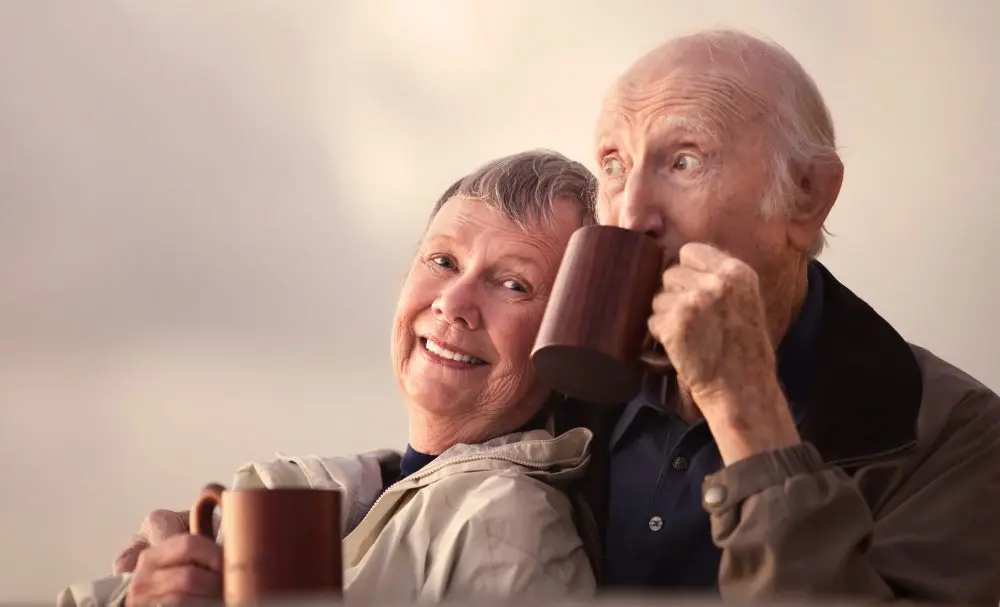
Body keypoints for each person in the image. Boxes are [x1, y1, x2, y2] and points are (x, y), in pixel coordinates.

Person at [555, 28, 1000, 605]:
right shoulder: (558, 387)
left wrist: (746, 407)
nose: (631, 213)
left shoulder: (955, 433)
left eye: (685, 160)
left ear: (806, 194)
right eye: (613, 165)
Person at [56, 150, 600, 606]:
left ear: (566, 344)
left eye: (512, 284)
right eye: (443, 262)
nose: (453, 304)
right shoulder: (319, 493)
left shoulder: (508, 526)